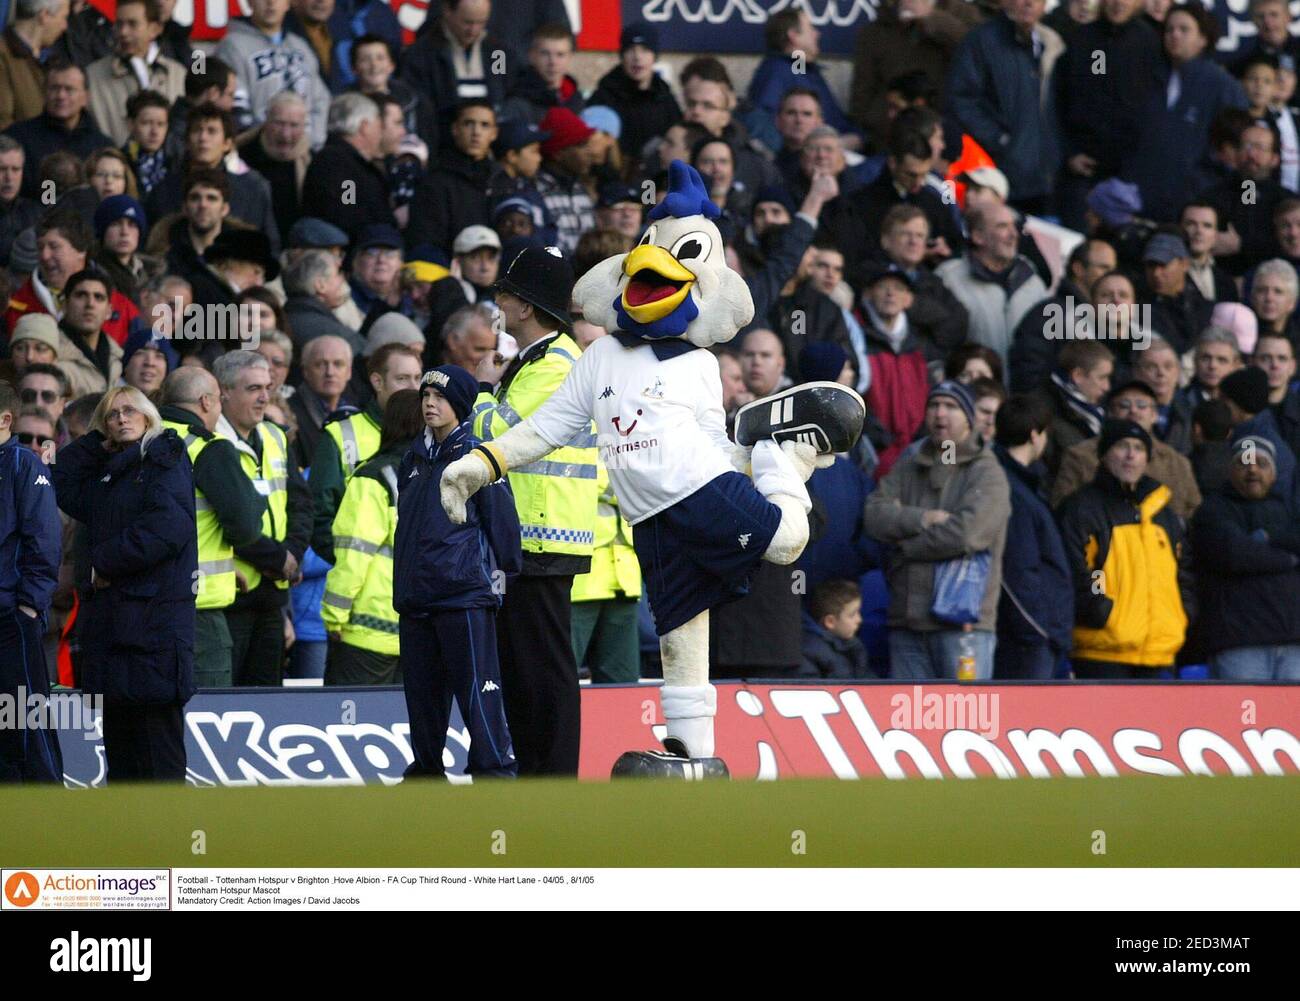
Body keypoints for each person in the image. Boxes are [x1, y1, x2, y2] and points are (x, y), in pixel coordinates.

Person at [468, 245, 596, 776]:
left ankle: (554, 779)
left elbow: (491, 434)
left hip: (543, 534)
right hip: (531, 534)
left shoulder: (556, 364)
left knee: (544, 669)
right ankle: (538, 776)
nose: (497, 304)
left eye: (504, 295)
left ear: (524, 306)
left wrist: (481, 388)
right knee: (526, 667)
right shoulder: (539, 360)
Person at [51, 385, 196, 780]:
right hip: (113, 635)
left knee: (158, 761)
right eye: (112, 415)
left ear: (149, 415)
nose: (121, 418)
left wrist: (103, 563)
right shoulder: (107, 474)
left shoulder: (165, 456)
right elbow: (59, 479)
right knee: (123, 762)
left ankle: (167, 826)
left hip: (153, 633)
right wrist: (97, 439)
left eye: (130, 410)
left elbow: (169, 527)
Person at [394, 365, 521, 778]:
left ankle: (494, 774)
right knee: (423, 701)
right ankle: (426, 776)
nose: (430, 403)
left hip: (463, 596)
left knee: (478, 695)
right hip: (415, 597)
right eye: (426, 395)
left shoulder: (478, 457)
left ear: (460, 404)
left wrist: (501, 581)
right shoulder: (412, 457)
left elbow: (504, 526)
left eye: (441, 397)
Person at [863, 380, 1011, 679]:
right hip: (906, 623)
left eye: (951, 406)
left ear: (969, 418)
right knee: (910, 710)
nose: (940, 413)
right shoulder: (909, 464)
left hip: (963, 626)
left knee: (963, 709)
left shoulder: (987, 471)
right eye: (934, 405)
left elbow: (967, 534)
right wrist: (923, 518)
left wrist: (906, 547)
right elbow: (873, 515)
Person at [1057, 418, 1193, 679]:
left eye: (1139, 448)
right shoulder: (1082, 508)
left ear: (1147, 459)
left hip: (1159, 652)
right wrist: (1101, 611)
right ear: (1104, 455)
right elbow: (1081, 570)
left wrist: (1181, 614)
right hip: (1101, 653)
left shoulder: (1163, 512)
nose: (1131, 455)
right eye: (1122, 446)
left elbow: (1184, 573)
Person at [158, 366, 267, 688]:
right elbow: (246, 525)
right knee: (204, 708)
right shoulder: (206, 446)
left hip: (141, 607)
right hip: (199, 612)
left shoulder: (140, 440)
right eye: (219, 400)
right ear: (206, 402)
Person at [214, 350, 312, 686]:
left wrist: (292, 554)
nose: (264, 397)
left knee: (266, 696)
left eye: (267, 388)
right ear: (224, 392)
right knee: (225, 699)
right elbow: (230, 518)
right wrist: (277, 559)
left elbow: (301, 504)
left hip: (273, 595)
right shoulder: (209, 442)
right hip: (230, 596)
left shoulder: (275, 437)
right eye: (253, 388)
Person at [322, 388, 421, 685]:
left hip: (367, 634)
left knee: (351, 714)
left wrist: (334, 616)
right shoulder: (440, 476)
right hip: (420, 633)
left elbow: (354, 553)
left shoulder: (374, 477)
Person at [1191, 435, 1300, 680]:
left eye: (1261, 463)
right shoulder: (1213, 509)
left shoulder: (1290, 509)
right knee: (1243, 707)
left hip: (1294, 641)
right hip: (1239, 642)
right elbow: (1234, 553)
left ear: (1274, 472)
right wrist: (1289, 559)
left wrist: (1263, 540)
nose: (1252, 470)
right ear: (1229, 471)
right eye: (1244, 463)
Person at [945, 0, 1065, 215]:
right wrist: (1000, 139)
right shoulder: (982, 41)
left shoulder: (1052, 44)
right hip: (997, 175)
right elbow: (961, 99)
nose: (1029, 3)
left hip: (1045, 178)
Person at [0, 378, 63, 783]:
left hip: (10, 620)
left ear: (5, 420)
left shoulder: (24, 465)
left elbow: (44, 541)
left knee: (27, 724)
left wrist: (27, 607)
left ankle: (49, 810)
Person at [309, 342, 421, 563]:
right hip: (365, 578)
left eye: (418, 378)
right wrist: (349, 562)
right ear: (377, 381)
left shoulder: (433, 433)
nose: (414, 388)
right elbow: (319, 516)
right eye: (402, 378)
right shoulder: (341, 435)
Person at [991, 393, 1072, 679]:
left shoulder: (1025, 484)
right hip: (1027, 639)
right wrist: (1040, 630)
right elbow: (1018, 569)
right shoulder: (1012, 491)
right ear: (1036, 435)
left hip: (1035, 634)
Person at [1050, 379, 1202, 518]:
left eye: (1142, 405)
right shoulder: (1080, 456)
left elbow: (1193, 511)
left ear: (1154, 415)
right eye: (1124, 405)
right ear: (1110, 413)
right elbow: (1062, 508)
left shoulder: (1176, 462)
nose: (1133, 411)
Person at [850, 0, 975, 148]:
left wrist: (932, 17)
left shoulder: (964, 14)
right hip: (890, 138)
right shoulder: (876, 31)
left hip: (950, 136)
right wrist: (869, 132)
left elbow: (980, 55)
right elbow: (862, 96)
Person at [936, 203, 1047, 364]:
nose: (1013, 234)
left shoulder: (1032, 282)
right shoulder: (949, 279)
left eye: (1014, 226)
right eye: (1002, 226)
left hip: (1022, 380)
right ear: (977, 237)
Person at [215, 0, 331, 149]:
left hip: (303, 151)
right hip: (255, 150)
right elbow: (236, 104)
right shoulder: (232, 46)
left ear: (288, 4)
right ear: (250, 3)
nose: (271, 3)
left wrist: (311, 142)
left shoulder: (301, 47)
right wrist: (256, 141)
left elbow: (321, 100)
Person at [3, 61, 113, 200]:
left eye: (69, 89)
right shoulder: (18, 137)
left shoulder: (102, 146)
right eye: (54, 88)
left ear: (85, 97)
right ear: (44, 93)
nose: (61, 96)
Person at [85, 0, 186, 147]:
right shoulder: (92, 76)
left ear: (155, 29)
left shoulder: (178, 75)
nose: (123, 32)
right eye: (119, 24)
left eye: (132, 24)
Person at [405, 98, 498, 256]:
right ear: (455, 129)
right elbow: (426, 242)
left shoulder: (503, 179)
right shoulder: (435, 183)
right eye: (468, 123)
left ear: (494, 133)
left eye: (484, 125)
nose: (476, 132)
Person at [300, 92, 398, 242]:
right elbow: (348, 208)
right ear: (364, 127)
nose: (380, 134)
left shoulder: (346, 161)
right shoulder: (340, 164)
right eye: (379, 126)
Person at [589, 23, 680, 165]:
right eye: (631, 50)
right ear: (621, 55)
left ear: (654, 56)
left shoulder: (665, 99)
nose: (637, 57)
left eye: (645, 50)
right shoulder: (603, 97)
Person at [1043, 339, 1114, 477]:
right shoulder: (1046, 412)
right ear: (1078, 376)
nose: (1107, 387)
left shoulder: (1098, 411)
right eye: (1102, 378)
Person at [53, 268, 126, 399]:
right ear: (64, 305)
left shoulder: (119, 358)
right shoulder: (48, 353)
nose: (90, 304)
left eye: (98, 297)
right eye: (81, 295)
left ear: (109, 311)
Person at [0, 0, 71, 132]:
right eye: (63, 17)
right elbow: (4, 126)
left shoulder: (53, 60)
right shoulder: (4, 58)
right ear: (44, 15)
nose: (65, 26)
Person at [288, 333, 357, 469]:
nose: (330, 372)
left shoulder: (358, 410)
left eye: (338, 364)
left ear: (349, 372)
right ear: (305, 371)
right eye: (320, 365)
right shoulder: (288, 413)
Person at [799, 578, 872, 679]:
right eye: (852, 615)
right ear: (830, 622)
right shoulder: (811, 653)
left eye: (858, 612)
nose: (859, 620)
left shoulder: (855, 647)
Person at [1132, 334, 1193, 454]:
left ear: (1178, 372)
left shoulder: (1191, 413)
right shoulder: (1122, 412)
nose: (1161, 373)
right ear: (1137, 372)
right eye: (1151, 367)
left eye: (1168, 366)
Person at [1254, 331, 1300, 458]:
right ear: (1252, 363)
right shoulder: (1239, 413)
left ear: (1292, 367)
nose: (1274, 365)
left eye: (1282, 358)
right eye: (1265, 358)